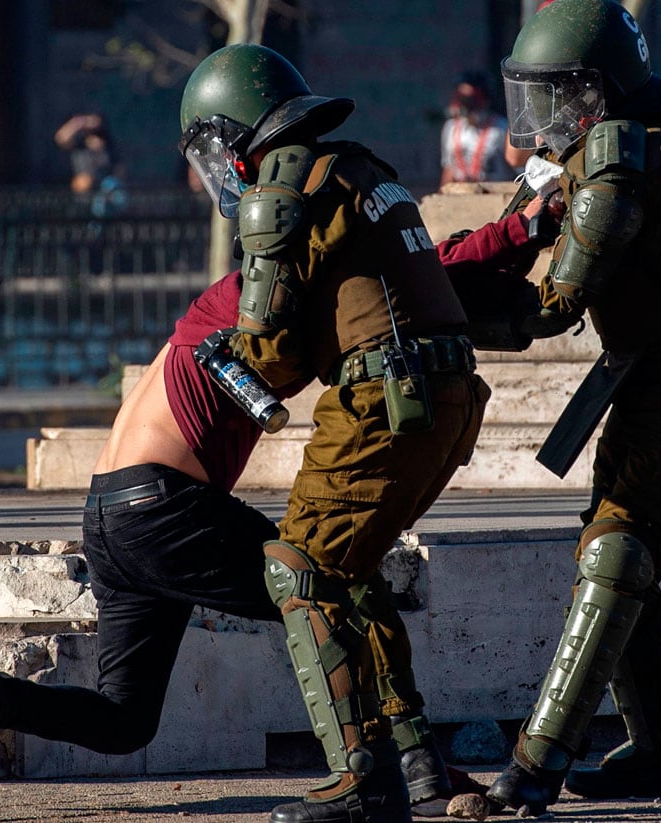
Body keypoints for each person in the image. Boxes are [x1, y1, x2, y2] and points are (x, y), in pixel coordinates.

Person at [0, 119, 550, 823]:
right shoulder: (252, 293)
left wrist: (515, 235)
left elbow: (415, 277)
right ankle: (414, 773)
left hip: (109, 512)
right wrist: (515, 235)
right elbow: (426, 273)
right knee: (329, 586)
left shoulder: (218, 304)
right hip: (166, 505)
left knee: (125, 717)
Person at [178, 44, 502, 823]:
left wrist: (226, 356)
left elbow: (271, 353)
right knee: (347, 569)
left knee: (298, 567)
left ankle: (360, 779)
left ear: (233, 137)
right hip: (444, 394)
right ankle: (417, 759)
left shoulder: (278, 188)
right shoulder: (353, 166)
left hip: (385, 397)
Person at [480, 0, 661, 815]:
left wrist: (448, 317)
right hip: (652, 381)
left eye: (554, 100)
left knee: (617, 551)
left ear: (594, 96)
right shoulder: (596, 159)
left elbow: (554, 308)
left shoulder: (619, 162)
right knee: (616, 544)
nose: (540, 123)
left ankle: (536, 766)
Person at [439, 72, 513, 186]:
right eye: (462, 99)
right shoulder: (451, 128)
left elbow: (515, 168)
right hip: (460, 193)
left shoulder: (501, 128)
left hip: (494, 194)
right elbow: (449, 168)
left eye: (471, 100)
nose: (466, 105)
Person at [54, 112, 121, 196]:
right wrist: (77, 123)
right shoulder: (79, 142)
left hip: (105, 185)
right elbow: (61, 139)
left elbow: (118, 167)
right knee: (83, 182)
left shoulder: (107, 140)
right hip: (84, 185)